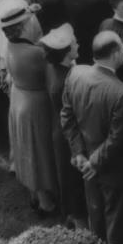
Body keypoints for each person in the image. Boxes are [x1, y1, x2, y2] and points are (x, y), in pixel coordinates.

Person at [60, 31, 123, 244]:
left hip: (86, 163)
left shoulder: (75, 74)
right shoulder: (120, 92)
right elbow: (117, 137)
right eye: (122, 49)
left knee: (96, 215)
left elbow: (67, 116)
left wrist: (79, 153)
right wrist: (93, 162)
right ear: (115, 54)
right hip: (114, 168)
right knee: (119, 221)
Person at [0, 0, 59, 214]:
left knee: (26, 148)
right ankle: (45, 202)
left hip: (19, 100)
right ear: (23, 27)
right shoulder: (35, 53)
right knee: (39, 151)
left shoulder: (11, 45)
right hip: (35, 105)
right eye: (30, 21)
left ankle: (34, 192)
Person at [39, 24, 86, 228]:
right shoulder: (67, 80)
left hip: (59, 131)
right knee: (73, 181)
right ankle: (80, 223)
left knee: (68, 178)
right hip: (69, 137)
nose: (78, 44)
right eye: (74, 43)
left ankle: (72, 216)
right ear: (66, 53)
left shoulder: (54, 67)